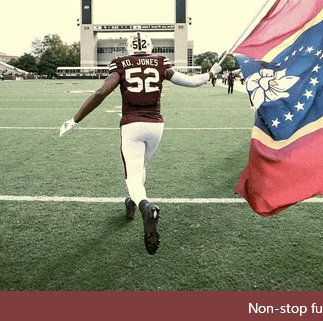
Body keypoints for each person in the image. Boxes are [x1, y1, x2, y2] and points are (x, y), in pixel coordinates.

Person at [59, 32, 221, 255]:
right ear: (150, 46)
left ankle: (145, 206)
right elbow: (191, 81)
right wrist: (211, 73)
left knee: (133, 175)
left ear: (128, 47)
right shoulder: (160, 62)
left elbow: (101, 93)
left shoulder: (121, 63)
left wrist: (74, 119)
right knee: (141, 167)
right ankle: (131, 202)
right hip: (156, 126)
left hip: (132, 124)